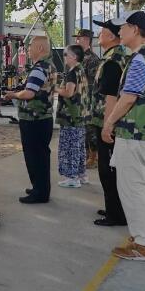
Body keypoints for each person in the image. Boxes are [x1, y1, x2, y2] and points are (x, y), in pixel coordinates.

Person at [102, 11, 145, 261]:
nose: (119, 32)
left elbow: (129, 97)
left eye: (123, 27)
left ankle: (142, 244)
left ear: (135, 29)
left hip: (135, 133)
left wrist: (109, 123)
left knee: (133, 189)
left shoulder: (140, 59)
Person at [4, 36, 57, 204]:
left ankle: (39, 193)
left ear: (40, 48)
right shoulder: (50, 66)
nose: (27, 50)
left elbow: (29, 93)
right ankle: (40, 188)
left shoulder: (39, 69)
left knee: (35, 157)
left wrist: (13, 95)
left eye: (30, 47)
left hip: (33, 119)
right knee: (41, 156)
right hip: (43, 118)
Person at [90, 19, 128, 227]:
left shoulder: (113, 61)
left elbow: (111, 96)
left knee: (108, 169)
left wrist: (107, 126)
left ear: (112, 36)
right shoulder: (114, 57)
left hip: (107, 122)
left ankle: (116, 214)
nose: (99, 33)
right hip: (108, 121)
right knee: (110, 168)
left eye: (102, 30)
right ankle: (113, 208)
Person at [55, 45, 89, 188]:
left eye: (65, 54)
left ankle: (72, 178)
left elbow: (68, 92)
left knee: (69, 147)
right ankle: (81, 175)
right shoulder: (80, 70)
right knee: (79, 147)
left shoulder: (72, 73)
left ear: (74, 57)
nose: (64, 57)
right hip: (80, 115)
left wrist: (55, 88)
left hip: (71, 116)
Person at [74, 29, 101, 169]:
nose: (76, 41)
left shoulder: (93, 59)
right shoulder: (79, 57)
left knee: (90, 129)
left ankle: (93, 157)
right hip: (80, 98)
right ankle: (85, 154)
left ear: (86, 40)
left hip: (89, 99)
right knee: (83, 128)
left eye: (78, 38)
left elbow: (94, 82)